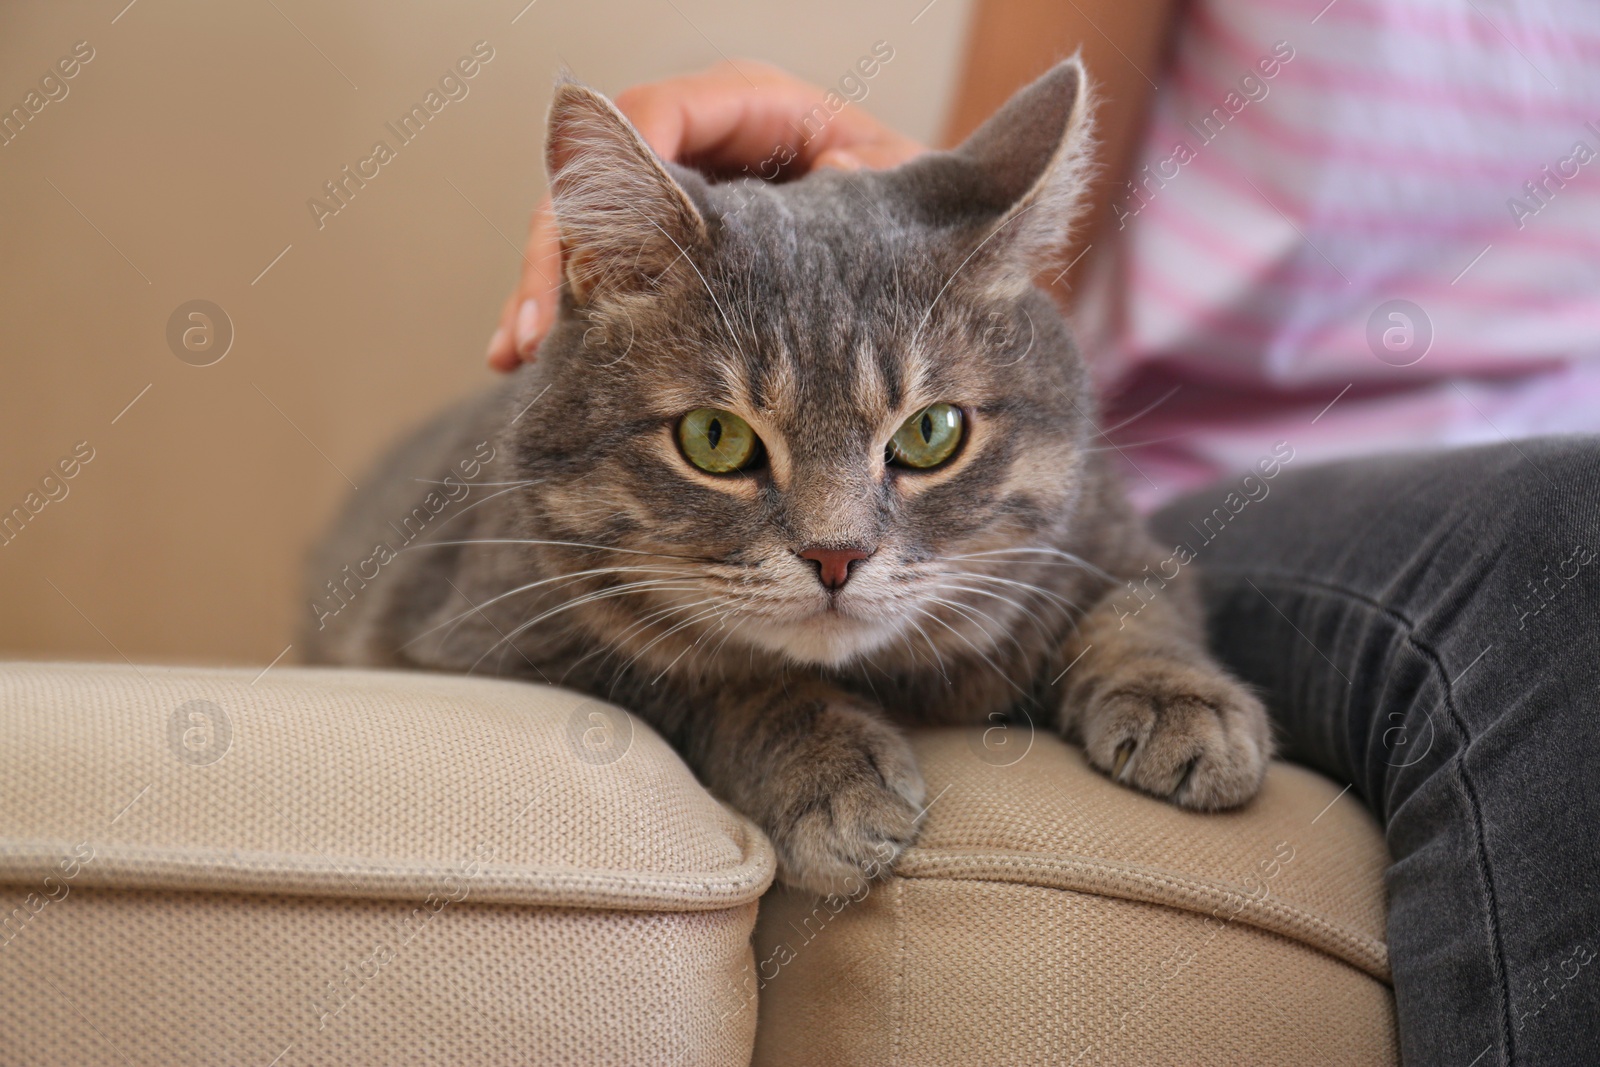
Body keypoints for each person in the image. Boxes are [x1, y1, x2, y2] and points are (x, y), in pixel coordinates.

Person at [483, 1, 1600, 1062]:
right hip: (1261, 477)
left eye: (920, 441)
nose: (836, 543)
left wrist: (1125, 648)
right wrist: (751, 710)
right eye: (725, 446)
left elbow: (1005, 354)